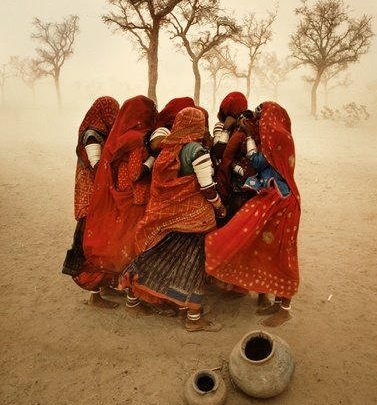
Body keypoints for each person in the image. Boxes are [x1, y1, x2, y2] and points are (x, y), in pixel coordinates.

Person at [120, 106, 226, 331]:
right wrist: (219, 207)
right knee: (194, 265)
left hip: (166, 217)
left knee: (154, 257)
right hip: (195, 221)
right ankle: (193, 319)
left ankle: (132, 299)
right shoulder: (197, 152)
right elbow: (207, 188)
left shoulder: (167, 150)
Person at [205, 101, 301, 327]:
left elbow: (257, 162)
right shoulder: (283, 136)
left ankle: (284, 309)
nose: (258, 121)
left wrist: (248, 136)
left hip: (280, 200)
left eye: (260, 116)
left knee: (281, 253)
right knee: (271, 250)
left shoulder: (275, 137)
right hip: (279, 197)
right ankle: (276, 303)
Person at [73, 95, 157, 308]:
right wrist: (152, 160)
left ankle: (106, 288)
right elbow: (130, 172)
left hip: (108, 195)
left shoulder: (116, 137)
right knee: (118, 244)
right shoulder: (127, 138)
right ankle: (119, 296)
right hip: (111, 197)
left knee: (105, 241)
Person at [61, 96, 120, 305]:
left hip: (96, 196)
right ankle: (95, 295)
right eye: (113, 111)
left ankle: (103, 287)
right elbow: (98, 168)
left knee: (101, 243)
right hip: (91, 199)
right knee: (92, 247)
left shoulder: (97, 133)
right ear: (104, 112)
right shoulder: (92, 136)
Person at [211, 91, 248, 166]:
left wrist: (225, 130)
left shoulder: (245, 125)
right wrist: (226, 130)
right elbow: (218, 153)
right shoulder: (221, 125)